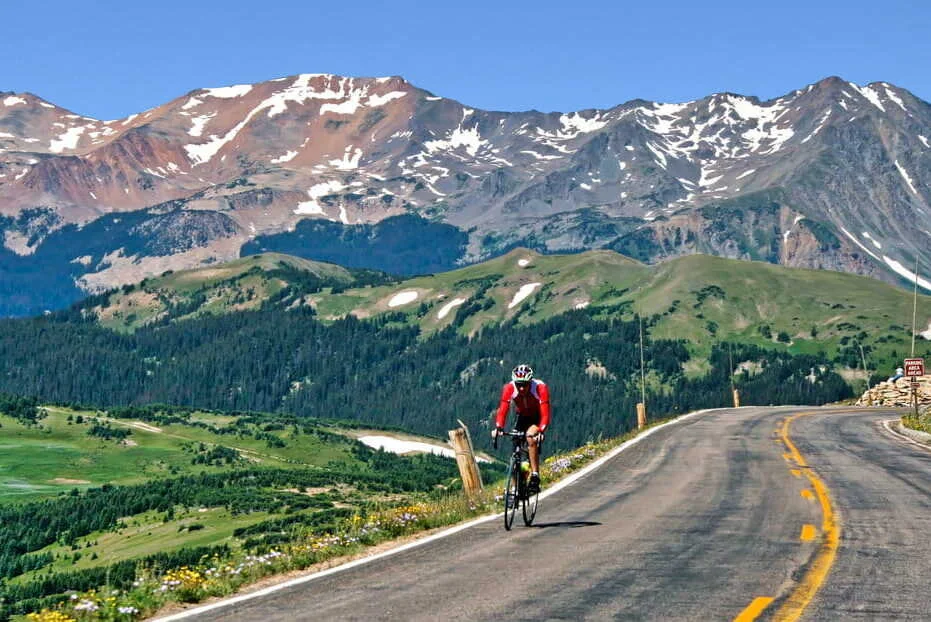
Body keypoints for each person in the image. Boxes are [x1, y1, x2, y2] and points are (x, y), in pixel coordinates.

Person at [491, 364, 551, 494]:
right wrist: (499, 427)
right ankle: (516, 488)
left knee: (530, 436)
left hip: (537, 417)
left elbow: (546, 415)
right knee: (514, 453)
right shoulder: (509, 388)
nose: (522, 388)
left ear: (530, 381)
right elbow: (503, 409)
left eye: (525, 384)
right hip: (522, 417)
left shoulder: (540, 387)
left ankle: (535, 476)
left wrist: (541, 431)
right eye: (519, 384)